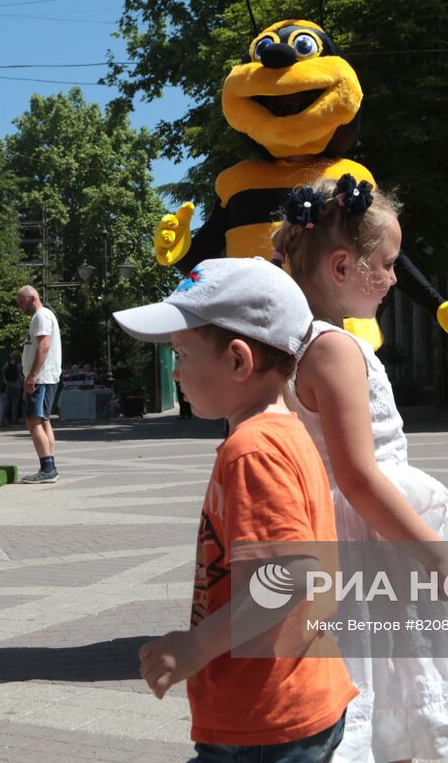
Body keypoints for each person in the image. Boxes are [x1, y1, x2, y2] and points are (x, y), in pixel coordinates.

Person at [272, 179, 448, 762]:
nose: (396, 279)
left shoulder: (289, 341)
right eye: (389, 264)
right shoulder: (335, 349)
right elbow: (360, 477)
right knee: (383, 683)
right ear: (343, 265)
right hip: (368, 547)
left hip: (328, 537)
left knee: (373, 686)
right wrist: (436, 554)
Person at [113, 257, 357, 763]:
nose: (174, 370)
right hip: (289, 705)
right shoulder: (285, 433)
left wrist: (197, 647)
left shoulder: (254, 450)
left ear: (239, 361)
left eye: (181, 352)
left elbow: (288, 578)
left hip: (264, 721)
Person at [17, 285, 63, 483]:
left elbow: (44, 345)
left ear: (32, 298)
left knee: (33, 420)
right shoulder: (43, 316)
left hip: (42, 377)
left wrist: (33, 375)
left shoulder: (41, 316)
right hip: (43, 376)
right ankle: (49, 466)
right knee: (43, 421)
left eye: (21, 301)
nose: (19, 306)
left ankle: (48, 468)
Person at [2, 350, 24, 425]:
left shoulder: (6, 364)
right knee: (15, 404)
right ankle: (14, 419)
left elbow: (4, 373)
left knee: (7, 403)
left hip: (8, 385)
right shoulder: (19, 365)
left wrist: (6, 382)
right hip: (17, 386)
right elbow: (21, 376)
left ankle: (4, 419)